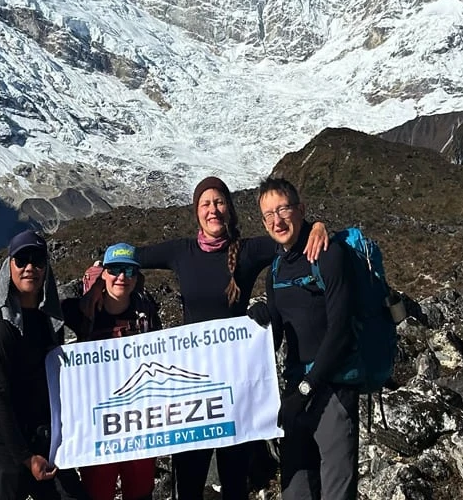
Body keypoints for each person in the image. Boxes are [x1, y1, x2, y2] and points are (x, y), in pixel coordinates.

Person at [82, 176, 328, 500]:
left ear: (230, 209)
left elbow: (291, 237)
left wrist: (318, 227)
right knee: (189, 483)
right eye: (205, 204)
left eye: (219, 202)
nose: (213, 210)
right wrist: (102, 267)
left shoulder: (248, 251)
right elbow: (135, 255)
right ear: (196, 212)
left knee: (235, 482)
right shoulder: (182, 252)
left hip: (236, 389)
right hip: (192, 392)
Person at [253, 177, 358, 500]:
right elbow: (280, 332)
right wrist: (262, 320)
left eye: (283, 209)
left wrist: (307, 387)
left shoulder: (328, 255)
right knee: (296, 491)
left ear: (300, 210)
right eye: (268, 214)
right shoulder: (275, 269)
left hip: (333, 389)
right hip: (297, 392)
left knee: (336, 491)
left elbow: (340, 330)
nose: (277, 220)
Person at [0, 230, 87, 500]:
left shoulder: (51, 318)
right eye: (21, 260)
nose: (30, 268)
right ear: (8, 266)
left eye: (37, 260)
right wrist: (25, 457)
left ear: (47, 268)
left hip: (40, 435)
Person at [74, 243, 162, 500]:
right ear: (103, 273)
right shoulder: (80, 312)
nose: (121, 277)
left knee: (140, 491)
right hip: (98, 425)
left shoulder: (147, 313)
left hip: (140, 422)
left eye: (129, 271)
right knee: (98, 491)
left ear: (137, 277)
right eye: (114, 270)